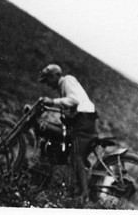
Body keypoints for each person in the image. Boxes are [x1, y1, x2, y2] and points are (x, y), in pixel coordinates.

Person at [38, 64, 98, 201]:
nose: (47, 84)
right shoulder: (63, 87)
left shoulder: (67, 81)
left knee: (76, 157)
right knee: (71, 151)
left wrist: (52, 102)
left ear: (54, 75)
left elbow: (73, 101)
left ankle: (83, 195)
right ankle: (73, 187)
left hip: (85, 122)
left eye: (47, 79)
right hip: (84, 121)